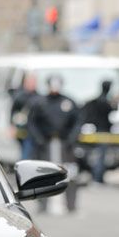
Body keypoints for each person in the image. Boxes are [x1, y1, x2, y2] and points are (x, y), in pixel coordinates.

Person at [27, 75, 80, 213]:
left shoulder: (68, 102)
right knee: (43, 175)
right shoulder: (40, 103)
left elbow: (77, 122)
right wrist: (38, 138)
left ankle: (71, 205)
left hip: (65, 144)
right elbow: (32, 122)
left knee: (70, 173)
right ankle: (43, 205)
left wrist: (71, 138)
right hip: (45, 143)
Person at [80, 80, 114, 183]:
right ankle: (97, 177)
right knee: (100, 156)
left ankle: (98, 176)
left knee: (98, 156)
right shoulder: (105, 102)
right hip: (102, 131)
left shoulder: (96, 100)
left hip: (96, 130)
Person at [10, 74, 40, 160]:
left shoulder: (39, 97)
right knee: (26, 151)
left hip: (35, 130)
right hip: (23, 130)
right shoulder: (19, 97)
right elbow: (13, 112)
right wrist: (12, 127)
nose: (32, 84)